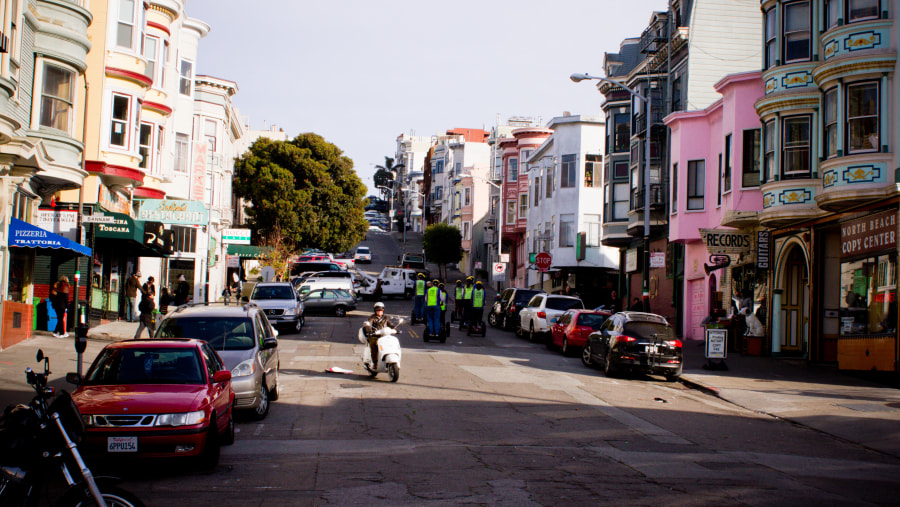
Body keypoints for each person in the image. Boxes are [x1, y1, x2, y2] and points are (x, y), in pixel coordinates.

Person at [363, 302, 396, 368]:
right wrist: (370, 331)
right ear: (375, 311)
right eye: (378, 310)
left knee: (392, 342)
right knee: (374, 344)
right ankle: (375, 362)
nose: (379, 312)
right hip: (375, 336)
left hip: (385, 335)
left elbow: (391, 324)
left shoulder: (386, 318)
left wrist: (395, 328)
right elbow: (368, 326)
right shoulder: (371, 318)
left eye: (381, 310)